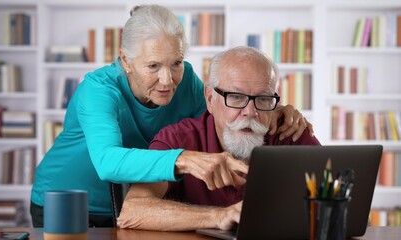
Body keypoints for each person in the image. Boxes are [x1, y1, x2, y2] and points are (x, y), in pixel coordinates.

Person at [30, 5, 313, 227]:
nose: (167, 81)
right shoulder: (98, 90)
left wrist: (275, 111)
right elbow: (107, 162)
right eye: (153, 65)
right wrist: (185, 159)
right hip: (67, 201)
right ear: (126, 61)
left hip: (129, 201)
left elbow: (227, 113)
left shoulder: (187, 81)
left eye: (176, 63)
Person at [117, 46, 321, 231]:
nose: (250, 112)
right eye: (236, 97)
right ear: (209, 99)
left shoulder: (291, 134)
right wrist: (218, 216)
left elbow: (342, 202)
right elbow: (132, 211)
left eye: (263, 98)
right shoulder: (177, 140)